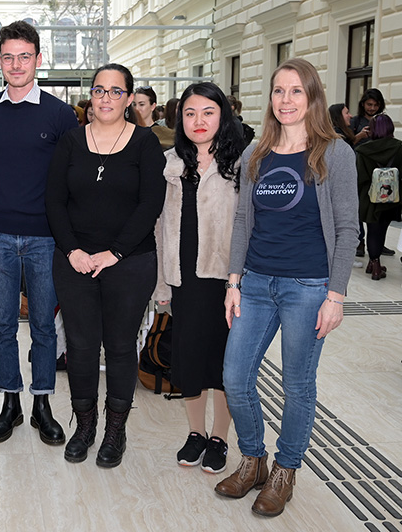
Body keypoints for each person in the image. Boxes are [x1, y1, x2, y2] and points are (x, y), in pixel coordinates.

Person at [215, 59, 358, 517]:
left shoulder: (334, 153)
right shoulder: (257, 151)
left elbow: (347, 228)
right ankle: (253, 458)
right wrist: (234, 281)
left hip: (308, 287)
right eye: (279, 91)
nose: (286, 100)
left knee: (298, 384)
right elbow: (242, 221)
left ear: (312, 97)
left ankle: (285, 469)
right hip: (256, 283)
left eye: (296, 91)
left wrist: (335, 295)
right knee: (235, 377)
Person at [45, 63, 166, 467]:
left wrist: (113, 253)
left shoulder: (146, 144)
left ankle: (116, 431)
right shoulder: (70, 141)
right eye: (100, 90)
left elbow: (151, 203)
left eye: (117, 92)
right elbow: (54, 201)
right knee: (79, 347)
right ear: (90, 96)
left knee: (118, 346)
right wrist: (74, 251)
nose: (107, 99)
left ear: (130, 99)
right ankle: (85, 426)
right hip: (74, 260)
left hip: (129, 262)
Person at [0, 20, 77, 446]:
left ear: (38, 59)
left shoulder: (59, 113)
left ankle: (43, 404)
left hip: (44, 237)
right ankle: (10, 401)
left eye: (24, 56)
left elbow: (72, 176)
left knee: (45, 328)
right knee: (2, 323)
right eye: (8, 56)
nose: (16, 64)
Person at [153, 82, 244, 475]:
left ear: (222, 114)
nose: (198, 120)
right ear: (180, 119)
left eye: (208, 112)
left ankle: (221, 437)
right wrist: (161, 284)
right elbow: (158, 228)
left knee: (224, 362)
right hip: (183, 278)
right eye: (190, 113)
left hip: (226, 282)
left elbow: (249, 226)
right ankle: (196, 433)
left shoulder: (242, 164)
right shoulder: (169, 163)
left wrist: (240, 281)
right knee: (188, 360)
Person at [355, 114, 402, 280]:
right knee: (382, 229)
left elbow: (360, 178)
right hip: (391, 198)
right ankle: (375, 264)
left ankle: (374, 263)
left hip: (369, 198)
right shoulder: (399, 147)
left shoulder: (363, 150)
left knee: (372, 230)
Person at [133, 85, 174, 150]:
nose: (137, 108)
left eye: (141, 104)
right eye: (134, 104)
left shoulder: (165, 134)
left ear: (153, 106)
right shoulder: (127, 131)